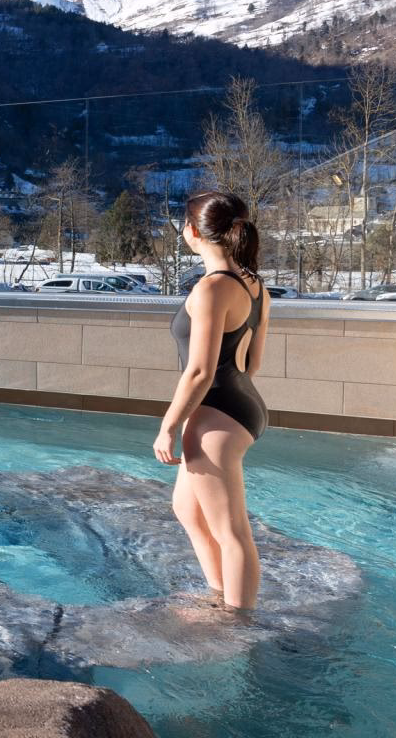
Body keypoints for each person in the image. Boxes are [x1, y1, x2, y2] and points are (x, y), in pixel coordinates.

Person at [154, 190, 269, 612]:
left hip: (216, 415)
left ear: (193, 232)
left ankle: (239, 622)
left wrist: (170, 425)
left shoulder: (211, 289)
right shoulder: (254, 285)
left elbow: (200, 371)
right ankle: (220, 595)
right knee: (188, 510)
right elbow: (252, 362)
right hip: (242, 404)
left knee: (231, 530)